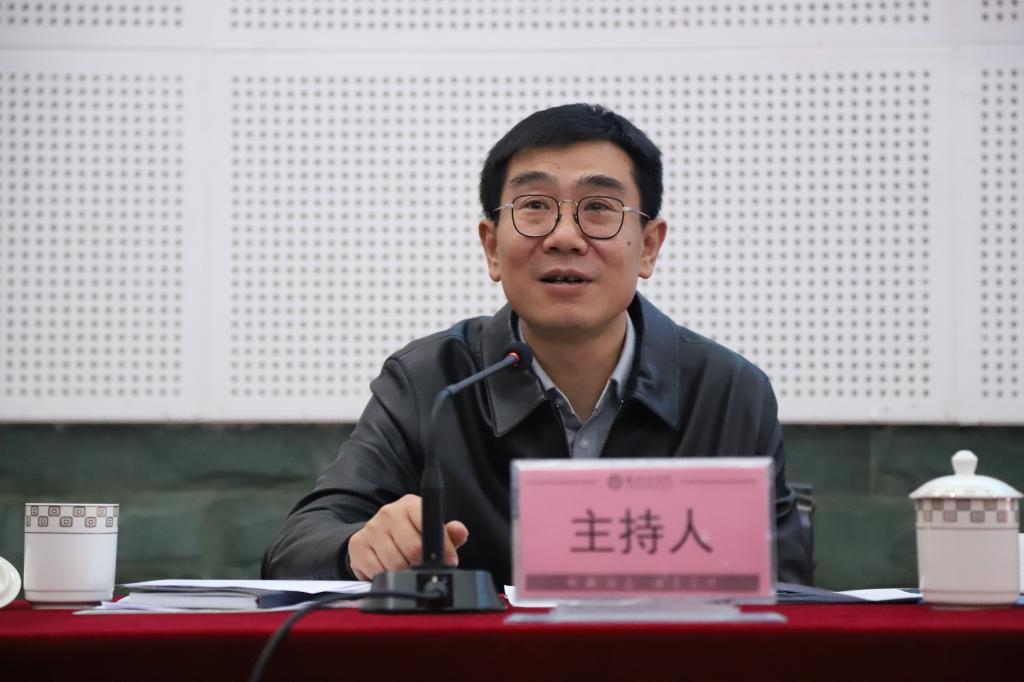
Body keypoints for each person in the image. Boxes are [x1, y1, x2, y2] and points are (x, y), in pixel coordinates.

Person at [262, 103, 812, 586]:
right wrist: (358, 547)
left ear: (648, 246)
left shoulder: (729, 392)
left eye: (599, 208)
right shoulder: (432, 383)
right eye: (534, 206)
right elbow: (294, 549)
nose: (565, 237)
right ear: (491, 247)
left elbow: (789, 595)